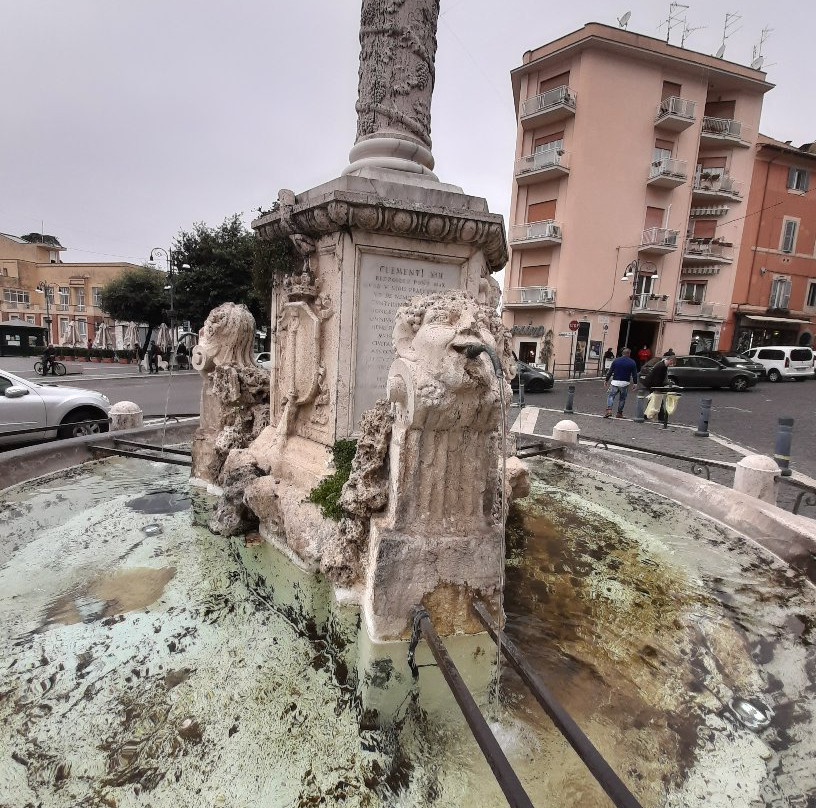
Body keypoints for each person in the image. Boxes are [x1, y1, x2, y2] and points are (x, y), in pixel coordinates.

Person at [641, 354, 677, 426]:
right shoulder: (661, 366)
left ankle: (647, 415)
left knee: (654, 400)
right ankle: (660, 418)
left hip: (652, 384)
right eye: (672, 363)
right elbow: (657, 379)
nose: (672, 365)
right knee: (657, 401)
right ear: (670, 360)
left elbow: (662, 378)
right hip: (653, 385)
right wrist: (660, 387)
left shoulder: (663, 365)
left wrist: (665, 384)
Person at [604, 347, 638, 418]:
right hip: (625, 383)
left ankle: (609, 410)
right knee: (622, 399)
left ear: (622, 353)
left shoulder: (616, 361)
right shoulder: (632, 362)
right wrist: (635, 383)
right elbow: (634, 374)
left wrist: (606, 380)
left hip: (615, 382)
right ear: (629, 354)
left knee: (611, 396)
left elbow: (610, 371)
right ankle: (619, 413)